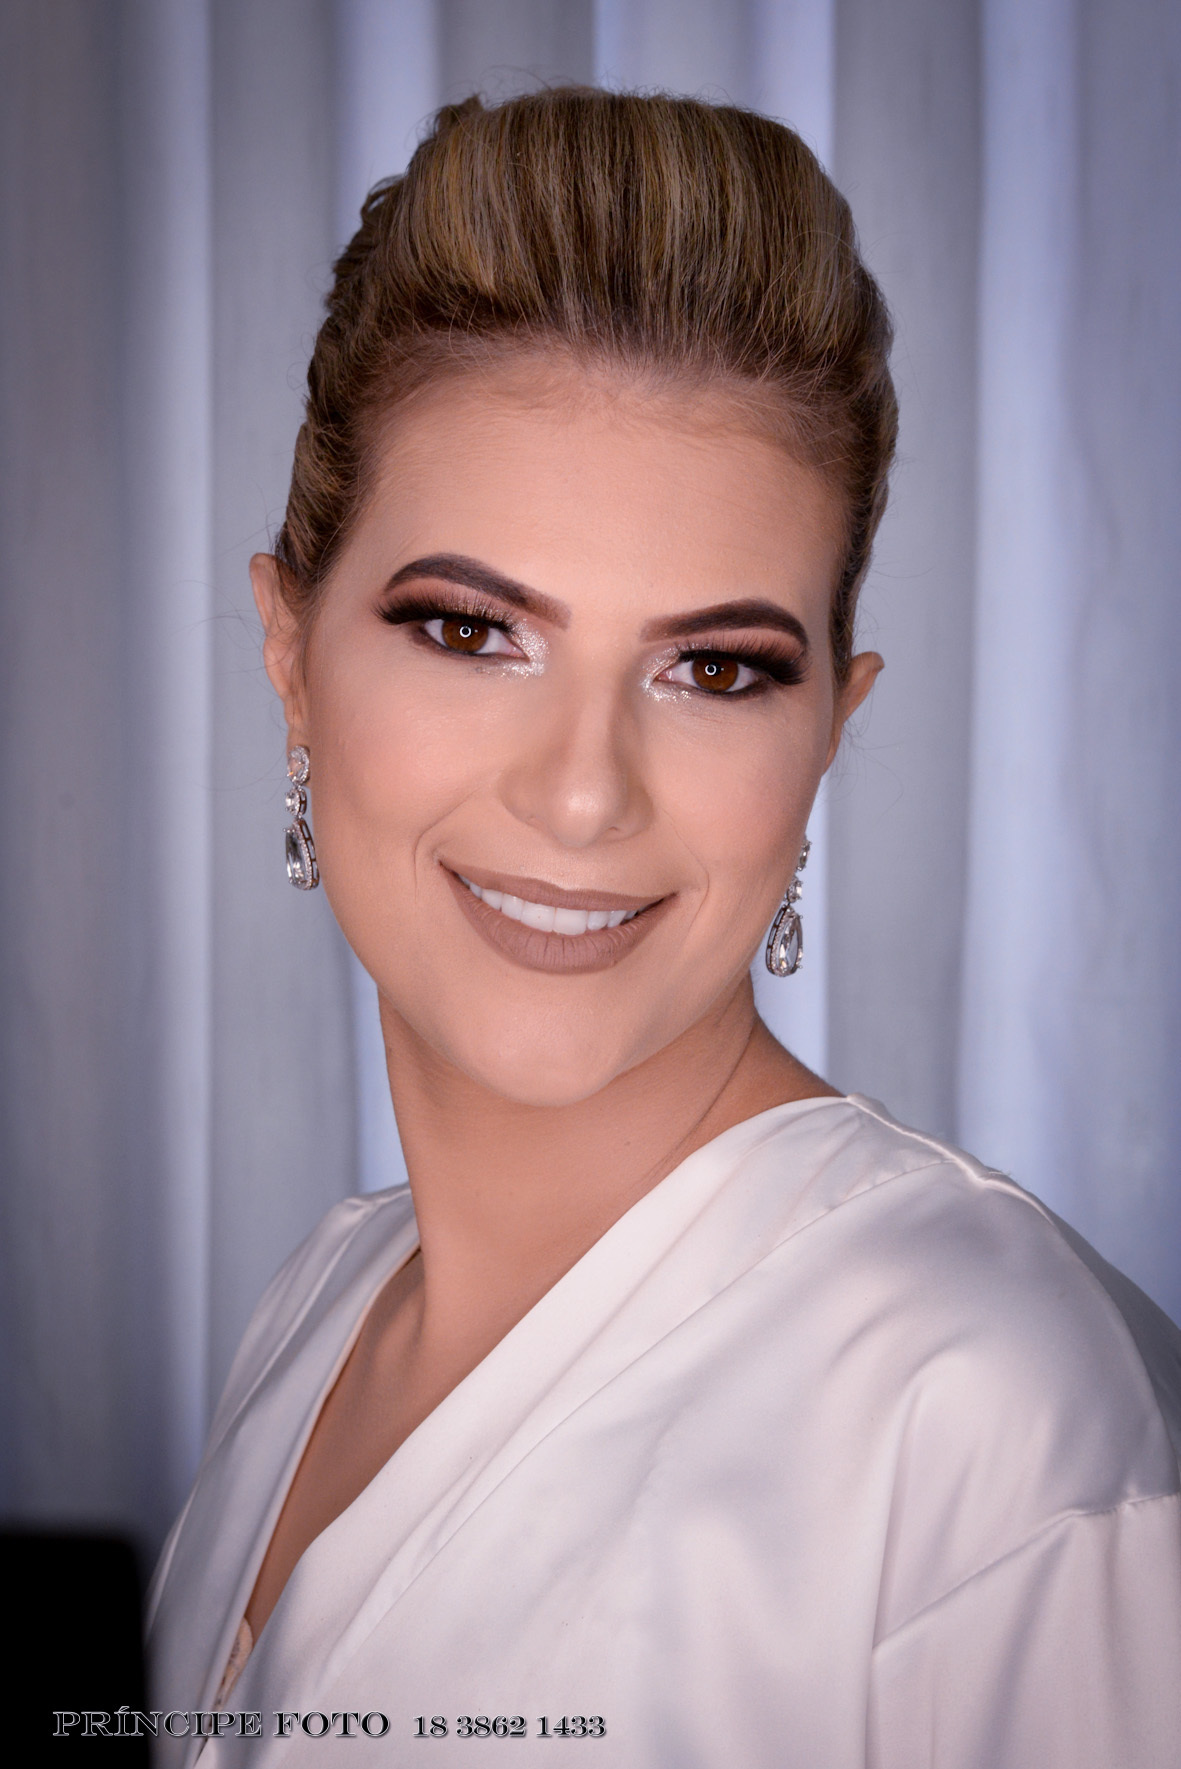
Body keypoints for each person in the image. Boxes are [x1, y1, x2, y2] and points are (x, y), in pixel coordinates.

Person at [146, 88, 1181, 1766]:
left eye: (713, 668)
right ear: (290, 656)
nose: (581, 795)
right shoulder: (316, 1306)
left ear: (828, 728)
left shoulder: (1000, 1427)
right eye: (469, 630)